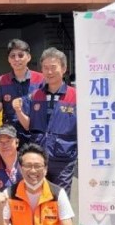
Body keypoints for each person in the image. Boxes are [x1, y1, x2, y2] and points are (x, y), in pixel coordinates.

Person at [15, 48, 77, 196]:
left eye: (53, 67)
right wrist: (18, 110)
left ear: (64, 68)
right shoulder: (35, 96)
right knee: (37, 195)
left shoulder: (76, 96)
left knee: (60, 197)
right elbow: (29, 126)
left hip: (64, 157)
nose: (49, 72)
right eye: (45, 68)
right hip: (38, 156)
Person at [0, 39, 43, 148]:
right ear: (8, 59)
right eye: (12, 56)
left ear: (28, 57)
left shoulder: (40, 79)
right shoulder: (2, 80)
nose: (16, 59)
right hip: (11, 133)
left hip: (34, 132)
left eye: (20, 55)